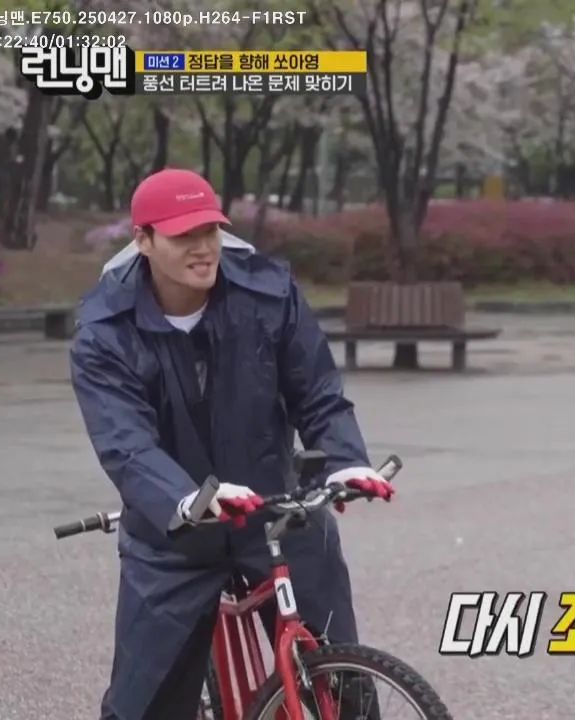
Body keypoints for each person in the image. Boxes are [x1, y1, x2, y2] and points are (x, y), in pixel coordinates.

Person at [70, 167, 396, 720]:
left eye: (210, 231)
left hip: (275, 510)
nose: (202, 248)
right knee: (143, 701)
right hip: (175, 534)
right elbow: (126, 445)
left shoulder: (267, 293)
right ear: (143, 240)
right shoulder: (105, 330)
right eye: (183, 236)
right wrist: (184, 499)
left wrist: (345, 463)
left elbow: (317, 391)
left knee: (340, 684)